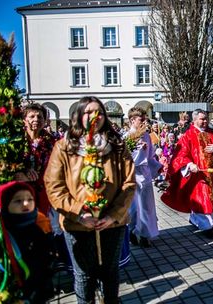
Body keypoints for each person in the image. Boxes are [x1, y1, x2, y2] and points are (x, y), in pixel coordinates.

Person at [44, 96, 136, 303]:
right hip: (78, 223)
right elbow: (54, 185)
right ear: (78, 116)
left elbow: (129, 184)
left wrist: (113, 215)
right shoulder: (64, 147)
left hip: (112, 224)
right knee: (84, 276)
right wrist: (79, 213)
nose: (95, 116)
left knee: (110, 273)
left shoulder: (118, 146)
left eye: (99, 112)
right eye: (88, 112)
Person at [161, 109, 213, 239]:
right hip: (198, 175)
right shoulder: (188, 135)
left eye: (206, 119)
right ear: (194, 120)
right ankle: (207, 227)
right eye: (202, 119)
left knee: (210, 200)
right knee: (203, 199)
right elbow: (180, 155)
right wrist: (189, 165)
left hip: (212, 173)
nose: (205, 121)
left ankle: (201, 221)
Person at [0, 181, 54, 302]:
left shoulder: (40, 226)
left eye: (30, 199)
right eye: (18, 201)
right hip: (12, 294)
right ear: (5, 205)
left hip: (38, 292)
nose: (26, 203)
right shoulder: (2, 236)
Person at [126, 107, 162, 248]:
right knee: (134, 209)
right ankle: (132, 232)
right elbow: (124, 159)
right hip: (132, 176)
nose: (143, 123)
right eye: (141, 120)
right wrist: (135, 149)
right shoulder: (127, 137)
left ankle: (145, 235)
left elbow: (150, 156)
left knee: (146, 207)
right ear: (132, 120)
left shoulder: (146, 136)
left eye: (145, 120)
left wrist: (157, 167)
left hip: (145, 176)